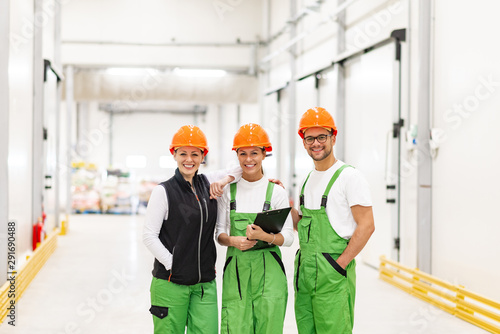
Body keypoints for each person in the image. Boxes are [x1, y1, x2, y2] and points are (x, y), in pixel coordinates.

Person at [143, 124, 240, 334]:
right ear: (174, 154)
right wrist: (173, 265)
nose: (189, 159)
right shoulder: (163, 191)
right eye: (183, 154)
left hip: (204, 284)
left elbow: (242, 167)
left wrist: (223, 181)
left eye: (195, 154)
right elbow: (149, 236)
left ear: (203, 156)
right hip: (170, 284)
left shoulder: (209, 182)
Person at [293, 107, 375, 334]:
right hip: (305, 273)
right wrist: (280, 198)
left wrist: (339, 265)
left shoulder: (349, 177)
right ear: (304, 141)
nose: (316, 143)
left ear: (333, 138)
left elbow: (367, 225)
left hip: (332, 273)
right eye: (310, 138)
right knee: (306, 328)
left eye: (322, 137)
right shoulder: (308, 179)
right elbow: (301, 227)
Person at [216, 123, 294, 334]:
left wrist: (264, 236)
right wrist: (233, 241)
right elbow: (219, 233)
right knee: (235, 324)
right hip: (237, 269)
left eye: (254, 153)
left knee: (269, 324)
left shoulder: (276, 192)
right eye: (243, 153)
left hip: (269, 270)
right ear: (237, 156)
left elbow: (288, 238)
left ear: (264, 154)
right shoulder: (228, 192)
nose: (248, 159)